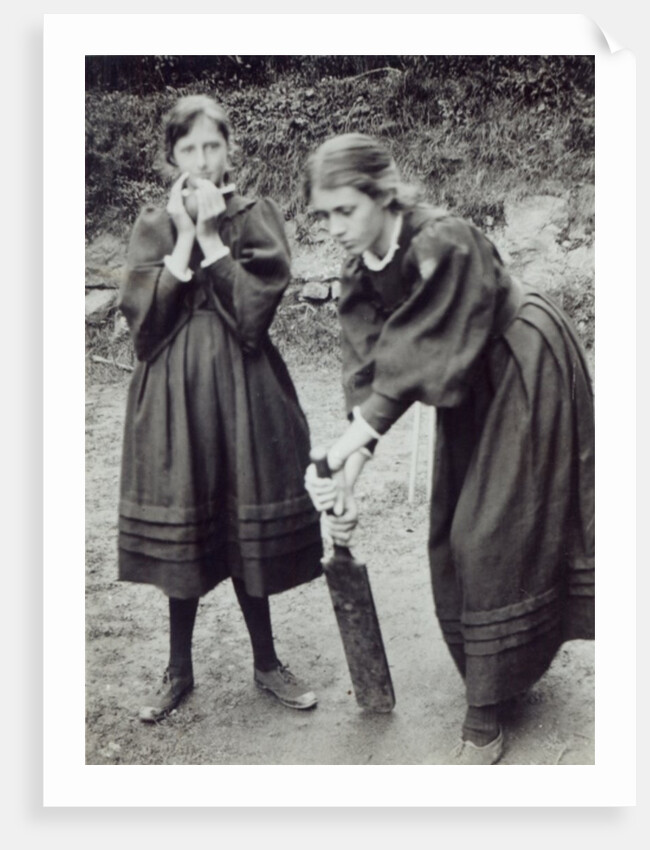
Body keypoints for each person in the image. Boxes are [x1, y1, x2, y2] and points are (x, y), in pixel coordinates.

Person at [303, 133, 594, 765]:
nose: (334, 227)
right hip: (466, 388)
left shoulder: (444, 241)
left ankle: (484, 718)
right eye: (324, 215)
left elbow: (423, 359)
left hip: (521, 366)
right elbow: (374, 381)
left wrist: (347, 445)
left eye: (345, 210)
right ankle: (501, 678)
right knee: (451, 534)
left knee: (490, 535)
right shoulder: (359, 272)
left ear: (381, 194)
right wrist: (344, 478)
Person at [117, 94, 323, 723]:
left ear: (230, 148)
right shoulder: (153, 224)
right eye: (188, 149)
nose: (202, 160)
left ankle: (267, 662)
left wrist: (210, 236)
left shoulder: (256, 216)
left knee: (243, 521)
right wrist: (182, 238)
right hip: (174, 400)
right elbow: (146, 333)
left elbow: (255, 318)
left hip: (245, 392)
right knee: (188, 519)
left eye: (212, 146)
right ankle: (178, 669)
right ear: (170, 157)